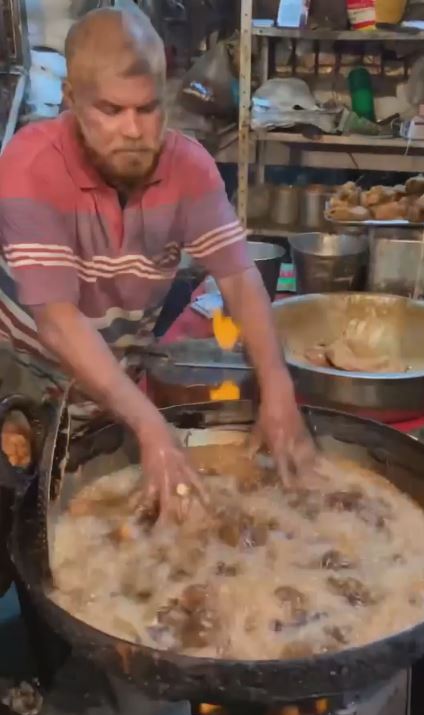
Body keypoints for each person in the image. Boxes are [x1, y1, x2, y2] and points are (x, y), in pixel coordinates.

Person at [0, 7, 315, 522]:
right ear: (72, 101)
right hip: (18, 384)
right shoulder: (28, 167)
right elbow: (57, 321)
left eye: (147, 109)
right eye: (111, 109)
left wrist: (278, 386)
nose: (133, 130)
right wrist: (150, 426)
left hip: (111, 390)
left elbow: (238, 278)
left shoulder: (189, 169)